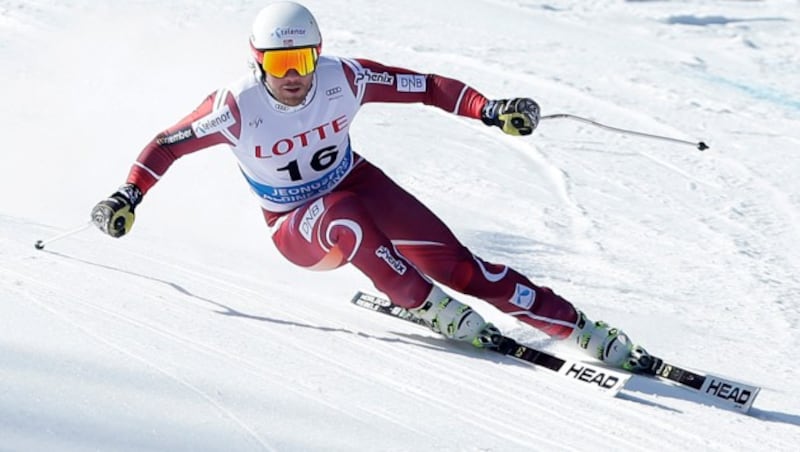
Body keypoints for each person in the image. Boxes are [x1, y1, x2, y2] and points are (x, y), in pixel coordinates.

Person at [91, 1, 652, 372]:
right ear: (258, 62)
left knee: (460, 265)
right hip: (295, 226)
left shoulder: (344, 77)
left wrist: (491, 109)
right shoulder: (236, 106)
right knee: (344, 212)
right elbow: (167, 144)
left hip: (355, 183)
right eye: (280, 62)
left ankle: (577, 326)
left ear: (317, 54)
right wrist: (127, 196)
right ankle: (424, 304)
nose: (294, 76)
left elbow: (426, 86)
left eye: (303, 59)